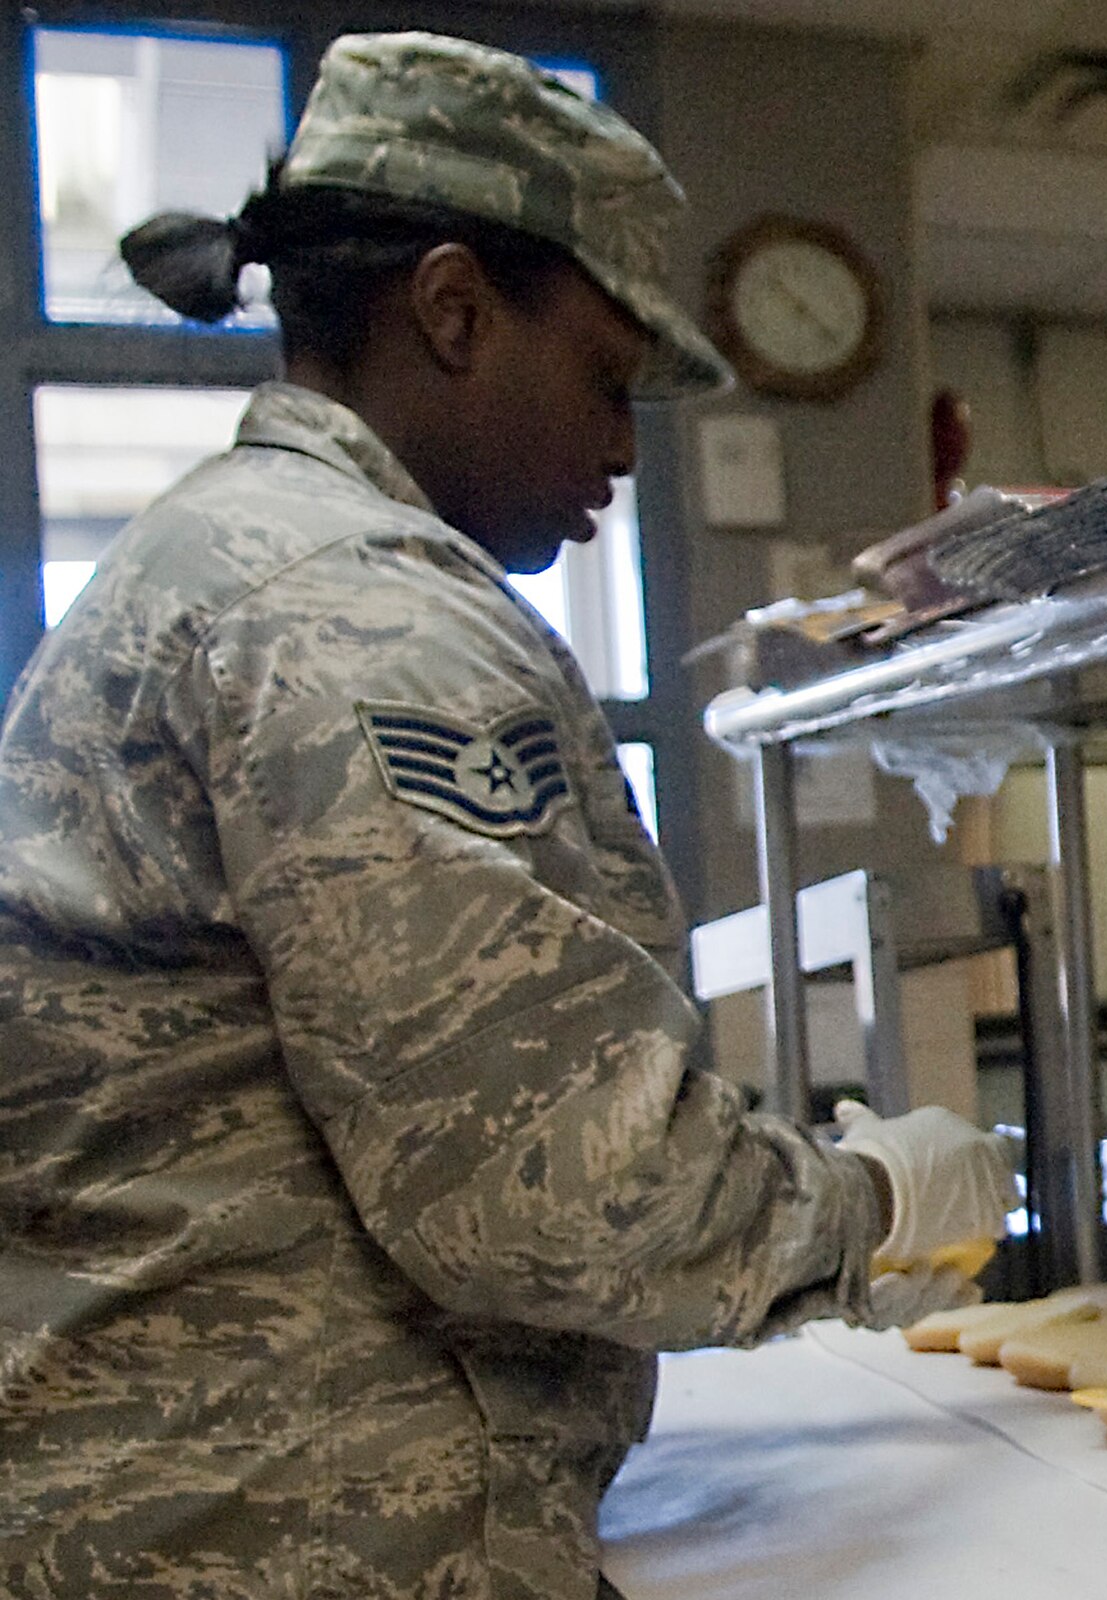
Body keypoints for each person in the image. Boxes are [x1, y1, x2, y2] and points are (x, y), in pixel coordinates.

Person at [0, 32, 1014, 1600]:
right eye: (606, 379)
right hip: (288, 1536)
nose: (621, 446)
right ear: (456, 310)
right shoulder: (352, 612)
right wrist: (869, 1207)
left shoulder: (228, 554)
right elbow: (549, 1183)